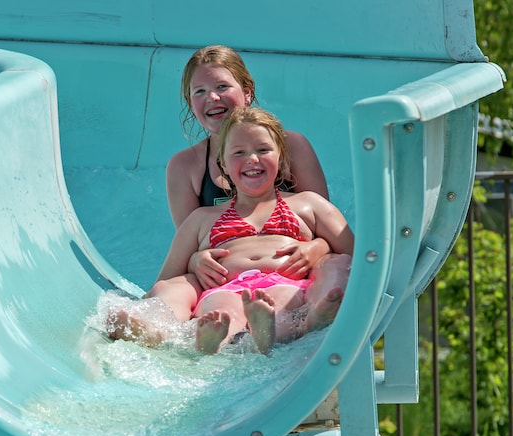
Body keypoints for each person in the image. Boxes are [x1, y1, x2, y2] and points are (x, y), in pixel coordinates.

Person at [107, 107, 353, 354]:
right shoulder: (202, 218)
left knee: (335, 262)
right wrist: (194, 263)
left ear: (281, 158)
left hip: (287, 286)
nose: (252, 159)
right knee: (194, 297)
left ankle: (310, 317)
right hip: (226, 290)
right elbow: (166, 277)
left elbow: (357, 254)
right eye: (239, 153)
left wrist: (319, 247)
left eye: (263, 150)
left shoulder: (308, 204)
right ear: (223, 164)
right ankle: (162, 329)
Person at [147, 45, 332, 323]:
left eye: (222, 86)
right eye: (199, 91)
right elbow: (191, 244)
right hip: (225, 284)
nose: (212, 97)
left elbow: (327, 225)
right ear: (190, 102)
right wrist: (196, 261)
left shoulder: (291, 147)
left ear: (247, 91)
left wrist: (317, 248)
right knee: (171, 288)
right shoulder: (184, 166)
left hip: (290, 276)